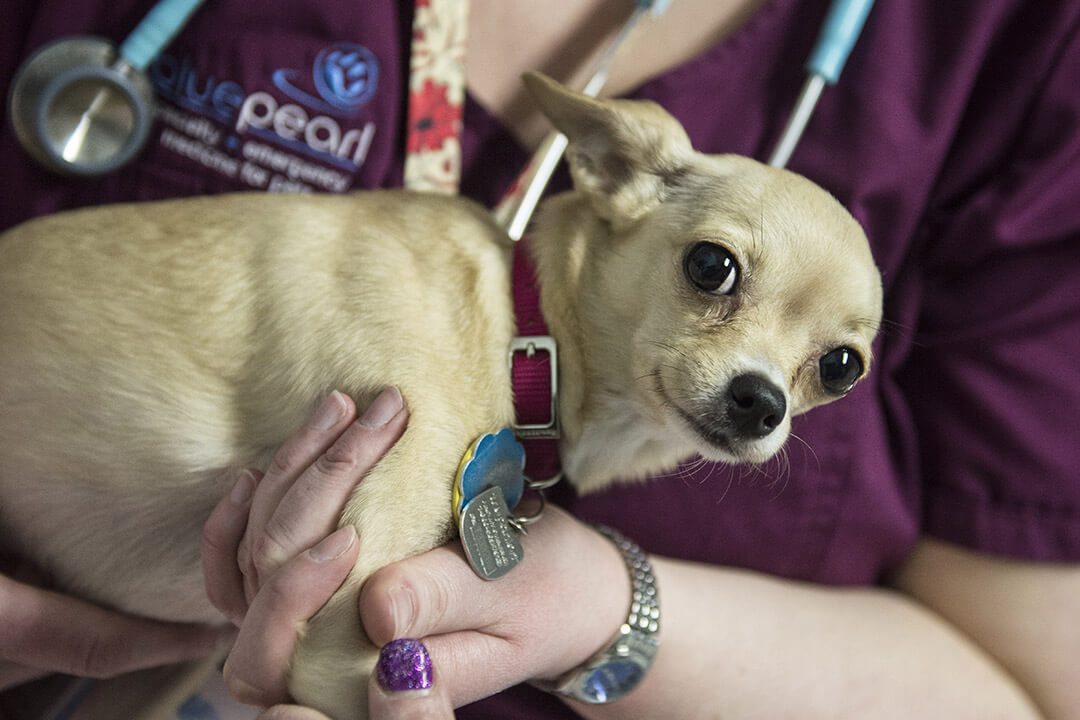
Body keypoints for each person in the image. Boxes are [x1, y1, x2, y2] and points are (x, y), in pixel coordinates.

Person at [2, 0, 1079, 718]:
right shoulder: (422, 335)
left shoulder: (1016, 46)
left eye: (828, 369)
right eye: (716, 275)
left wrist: (608, 607)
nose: (764, 387)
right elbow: (340, 656)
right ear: (616, 171)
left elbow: (1034, 691)